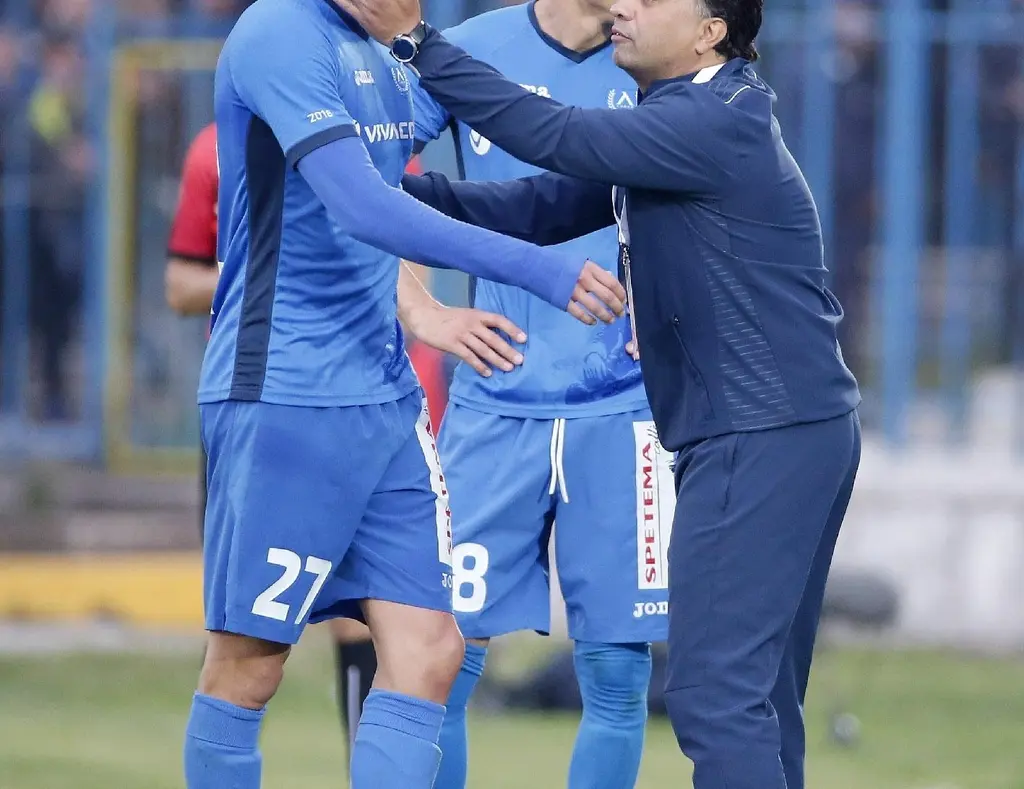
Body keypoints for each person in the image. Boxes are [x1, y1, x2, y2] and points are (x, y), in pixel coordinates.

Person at [335, 1, 863, 788]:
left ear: (709, 32)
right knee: (754, 696)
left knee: (715, 694)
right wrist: (378, 196)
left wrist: (416, 42)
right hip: (780, 429)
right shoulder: (685, 117)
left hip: (760, 433)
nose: (625, 6)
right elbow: (536, 207)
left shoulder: (711, 119)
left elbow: (553, 134)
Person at [183, 0, 626, 786]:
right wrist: (537, 268)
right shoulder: (278, 33)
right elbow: (362, 206)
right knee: (250, 663)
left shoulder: (398, 46)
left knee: (431, 650)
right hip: (286, 394)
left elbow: (428, 175)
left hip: (386, 399)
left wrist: (420, 309)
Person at [164, 121, 512, 779]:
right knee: (250, 657)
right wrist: (270, 264)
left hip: (382, 408)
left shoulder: (384, 141)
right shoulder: (213, 148)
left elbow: (402, 260)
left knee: (418, 643)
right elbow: (180, 284)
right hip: (272, 410)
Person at [409, 4, 670, 789]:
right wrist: (424, 309)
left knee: (618, 672)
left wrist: (674, 303)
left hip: (624, 410)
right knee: (441, 661)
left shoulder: (659, 51)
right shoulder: (469, 51)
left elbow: (712, 192)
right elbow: (361, 183)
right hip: (494, 405)